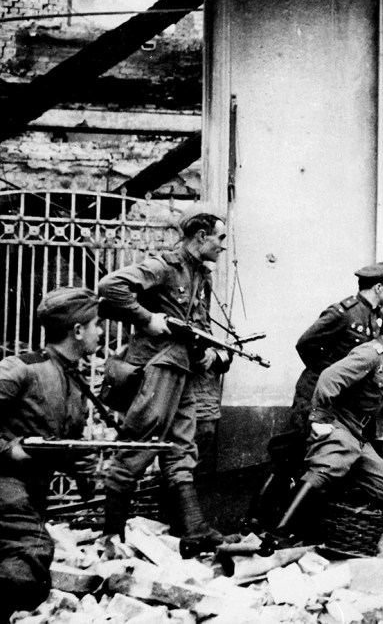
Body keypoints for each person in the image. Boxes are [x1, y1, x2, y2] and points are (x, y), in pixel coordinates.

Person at [98, 203, 230, 557]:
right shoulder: (165, 266)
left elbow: (196, 324)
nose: (223, 246)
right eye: (220, 238)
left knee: (182, 447)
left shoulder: (200, 274)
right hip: (158, 367)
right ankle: (111, 534)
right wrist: (146, 318)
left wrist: (207, 352)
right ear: (200, 236)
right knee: (139, 443)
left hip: (183, 368)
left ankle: (195, 530)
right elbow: (111, 286)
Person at [264, 308, 383, 549]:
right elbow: (329, 377)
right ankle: (279, 534)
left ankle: (318, 512)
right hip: (340, 426)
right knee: (326, 467)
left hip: (357, 434)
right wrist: (319, 420)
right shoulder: (370, 354)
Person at [0, 288, 103, 623]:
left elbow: (61, 443)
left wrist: (81, 467)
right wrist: (8, 450)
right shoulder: (21, 369)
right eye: (97, 324)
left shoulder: (75, 381)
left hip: (29, 495)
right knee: (29, 554)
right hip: (6, 487)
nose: (101, 332)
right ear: (78, 330)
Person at [290, 262, 383, 435]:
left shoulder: (375, 317)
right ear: (378, 287)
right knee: (303, 447)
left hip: (339, 403)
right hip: (313, 397)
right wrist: (327, 370)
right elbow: (304, 344)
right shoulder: (343, 313)